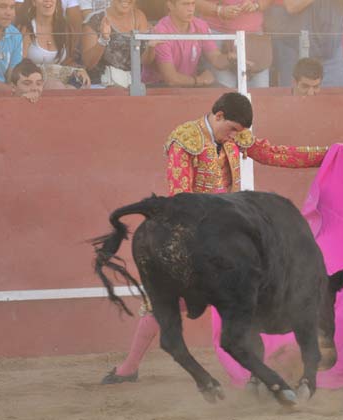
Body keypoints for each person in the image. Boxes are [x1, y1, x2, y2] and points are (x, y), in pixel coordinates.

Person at [101, 92, 329, 384]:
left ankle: (258, 375)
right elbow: (179, 195)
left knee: (250, 293)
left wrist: (326, 155)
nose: (236, 137)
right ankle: (129, 368)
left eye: (240, 132)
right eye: (232, 129)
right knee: (164, 302)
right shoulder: (184, 139)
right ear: (218, 116)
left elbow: (274, 153)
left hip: (230, 233)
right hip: (194, 231)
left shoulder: (235, 136)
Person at [141, 0, 234, 87]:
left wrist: (231, 58)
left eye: (193, 3)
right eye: (185, 4)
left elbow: (216, 59)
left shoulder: (200, 25)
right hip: (156, 88)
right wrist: (199, 80)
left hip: (187, 87)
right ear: (170, 5)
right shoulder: (160, 31)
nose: (191, 9)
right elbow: (171, 79)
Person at [195, 0, 272, 88]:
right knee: (224, 91)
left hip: (253, 36)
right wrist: (219, 10)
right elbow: (192, 2)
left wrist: (256, 5)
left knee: (260, 92)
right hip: (218, 35)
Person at [81, 0, 152, 87]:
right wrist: (103, 39)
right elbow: (88, 64)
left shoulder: (139, 17)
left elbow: (145, 61)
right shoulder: (95, 19)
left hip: (132, 87)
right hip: (101, 86)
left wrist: (151, 46)